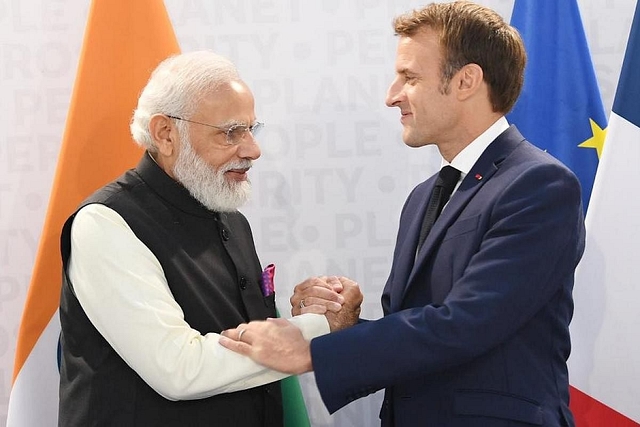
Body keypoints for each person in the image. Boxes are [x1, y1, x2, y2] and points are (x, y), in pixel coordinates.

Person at [219, 2, 586, 426]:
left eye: (410, 77)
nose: (392, 96)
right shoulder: (423, 197)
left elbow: (467, 323)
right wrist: (345, 326)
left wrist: (310, 351)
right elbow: (418, 331)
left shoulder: (539, 185)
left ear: (466, 80)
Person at [57, 51, 327, 426]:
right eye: (232, 132)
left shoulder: (231, 219)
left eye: (252, 129)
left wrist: (306, 310)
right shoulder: (106, 223)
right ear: (166, 133)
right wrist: (320, 329)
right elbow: (178, 368)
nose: (253, 150)